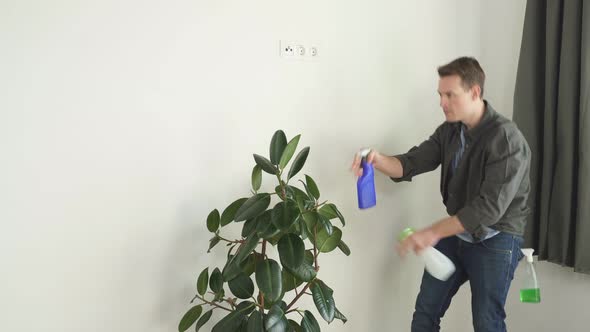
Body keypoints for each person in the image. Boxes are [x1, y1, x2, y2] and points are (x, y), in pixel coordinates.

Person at [351, 57, 531, 332]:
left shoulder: (506, 139)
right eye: (440, 94)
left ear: (474, 92)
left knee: (487, 322)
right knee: (425, 313)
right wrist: (376, 159)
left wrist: (431, 233)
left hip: (497, 237)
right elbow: (410, 163)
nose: (442, 102)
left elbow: (487, 210)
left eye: (450, 95)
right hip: (457, 233)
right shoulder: (450, 131)